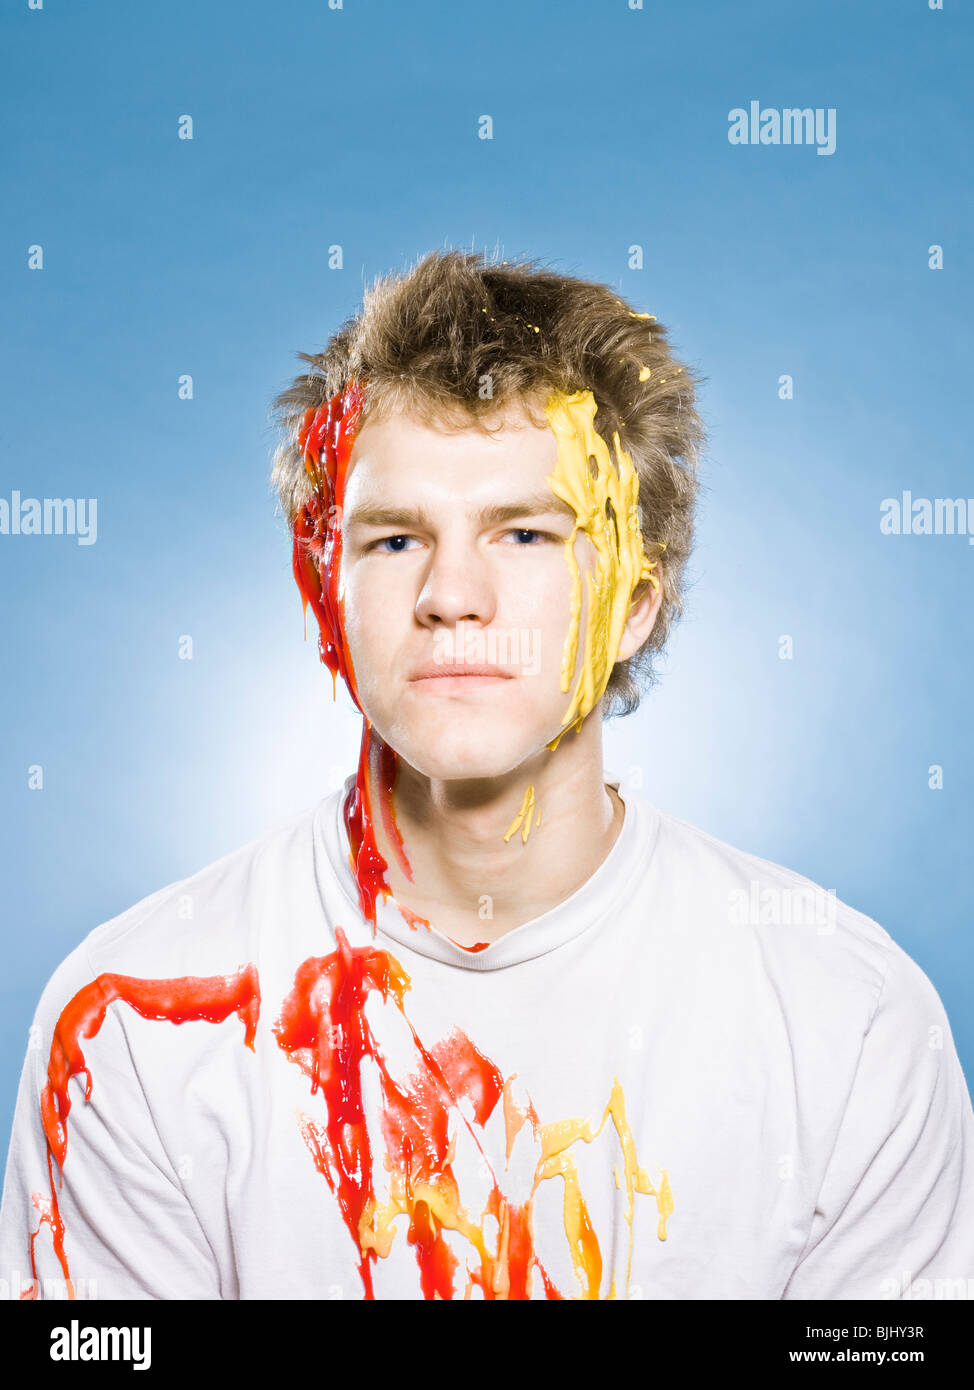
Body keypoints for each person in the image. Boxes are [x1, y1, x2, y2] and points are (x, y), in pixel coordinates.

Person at [1, 249, 971, 1302]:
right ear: (328, 593)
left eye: (523, 531)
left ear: (635, 602)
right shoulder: (129, 1025)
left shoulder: (849, 1019)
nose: (450, 594)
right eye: (392, 539)